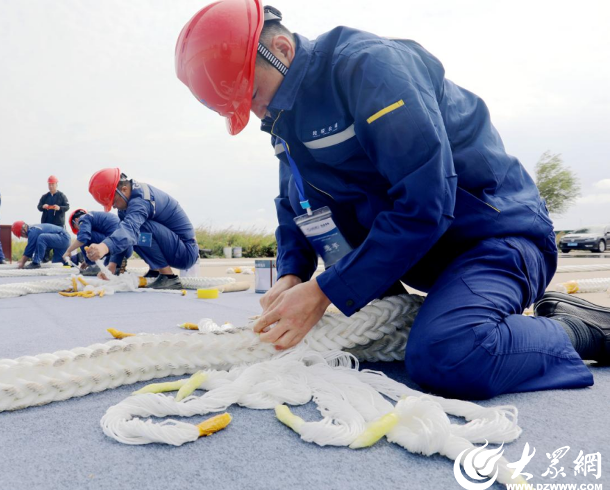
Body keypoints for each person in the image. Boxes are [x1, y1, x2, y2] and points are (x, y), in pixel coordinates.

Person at [175, 1, 608, 399]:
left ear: (282, 49)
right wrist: (292, 274)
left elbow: (427, 203)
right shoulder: (282, 117)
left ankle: (579, 330)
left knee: (450, 354)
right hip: (420, 256)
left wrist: (325, 290)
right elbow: (298, 203)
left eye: (251, 95)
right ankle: (454, 308)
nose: (256, 114)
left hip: (495, 239)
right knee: (360, 338)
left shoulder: (370, 69)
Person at [84, 168, 199, 290]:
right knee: (129, 231)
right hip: (174, 247)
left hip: (186, 252)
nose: (114, 206)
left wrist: (104, 247)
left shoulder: (142, 200)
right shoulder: (126, 207)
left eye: (114, 201)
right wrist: (112, 266)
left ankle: (168, 277)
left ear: (124, 189)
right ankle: (155, 269)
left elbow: (129, 230)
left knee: (138, 227)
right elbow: (123, 234)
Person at [63, 208, 131, 276]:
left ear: (76, 220)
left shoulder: (83, 218)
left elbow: (83, 239)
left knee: (83, 235)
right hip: (126, 248)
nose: (78, 229)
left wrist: (68, 251)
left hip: (113, 243)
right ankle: (117, 263)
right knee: (106, 268)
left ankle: (93, 266)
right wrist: (86, 261)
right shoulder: (96, 217)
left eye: (75, 227)